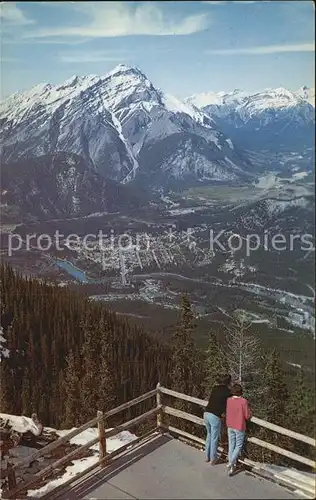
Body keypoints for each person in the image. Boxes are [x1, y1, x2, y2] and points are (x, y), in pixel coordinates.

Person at [204, 374, 232, 464]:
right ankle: (213, 459)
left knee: (209, 435)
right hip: (215, 416)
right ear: (229, 382)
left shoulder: (215, 388)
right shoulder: (228, 392)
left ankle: (207, 457)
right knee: (214, 438)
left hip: (206, 413)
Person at [226, 383, 252, 476]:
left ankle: (231, 467)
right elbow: (247, 415)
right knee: (238, 446)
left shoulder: (229, 400)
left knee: (231, 445)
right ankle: (231, 462)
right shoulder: (243, 401)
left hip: (230, 425)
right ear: (241, 392)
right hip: (239, 426)